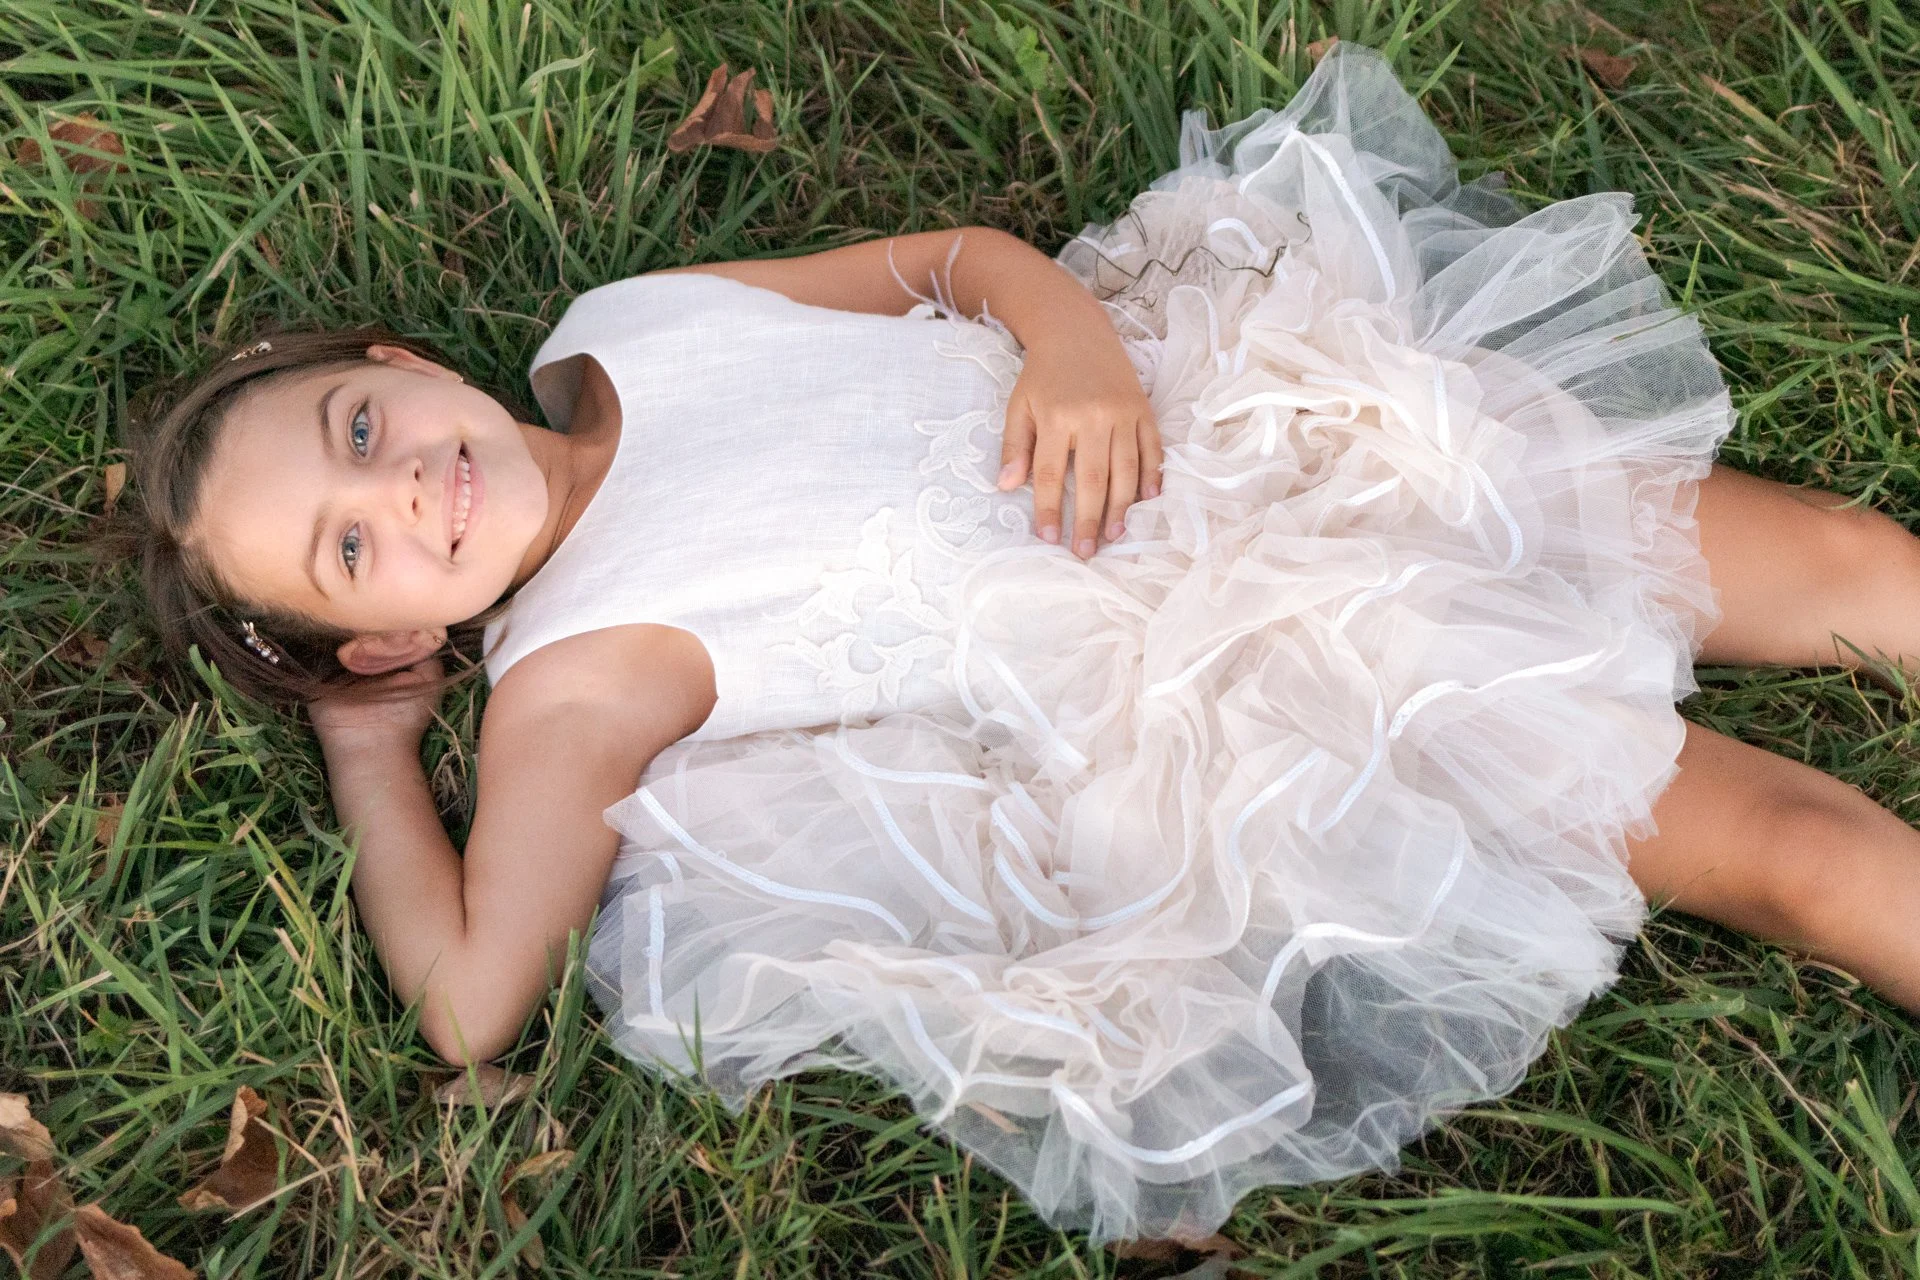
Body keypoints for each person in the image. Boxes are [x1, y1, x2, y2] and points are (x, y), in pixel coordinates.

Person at [122, 44, 1920, 1245]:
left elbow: (959, 260)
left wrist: (1074, 346)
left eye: (361, 426)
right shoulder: (578, 681)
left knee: (1848, 564)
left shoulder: (624, 332)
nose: (410, 492)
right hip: (1256, 680)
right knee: (1794, 851)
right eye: (348, 556)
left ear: (405, 364)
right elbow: (465, 1000)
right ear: (380, 641)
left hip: (1265, 430)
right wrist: (369, 755)